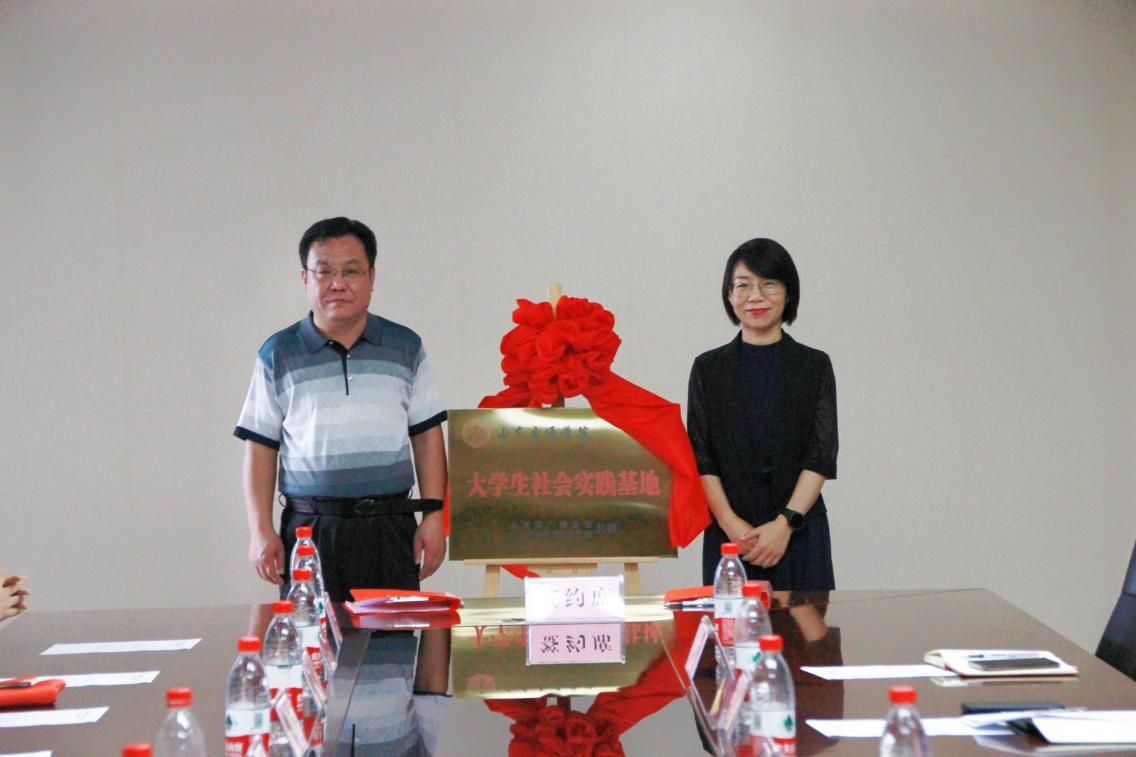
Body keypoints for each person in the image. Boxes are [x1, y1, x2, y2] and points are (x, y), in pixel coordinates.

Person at [235, 217, 448, 600]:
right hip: (310, 530)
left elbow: (427, 437)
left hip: (389, 528)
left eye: (351, 271)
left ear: (371, 276)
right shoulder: (278, 353)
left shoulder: (405, 347)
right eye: (324, 271)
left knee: (391, 636)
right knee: (313, 635)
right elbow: (261, 447)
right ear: (305, 278)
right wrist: (260, 529)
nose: (338, 283)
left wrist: (434, 517)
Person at [687, 238, 837, 589]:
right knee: (731, 624)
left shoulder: (813, 365)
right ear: (729, 296)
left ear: (788, 292)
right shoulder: (708, 369)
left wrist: (785, 524)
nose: (755, 296)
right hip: (731, 537)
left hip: (798, 532)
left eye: (768, 284)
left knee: (806, 626)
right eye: (743, 286)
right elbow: (701, 456)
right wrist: (730, 523)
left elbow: (820, 455)